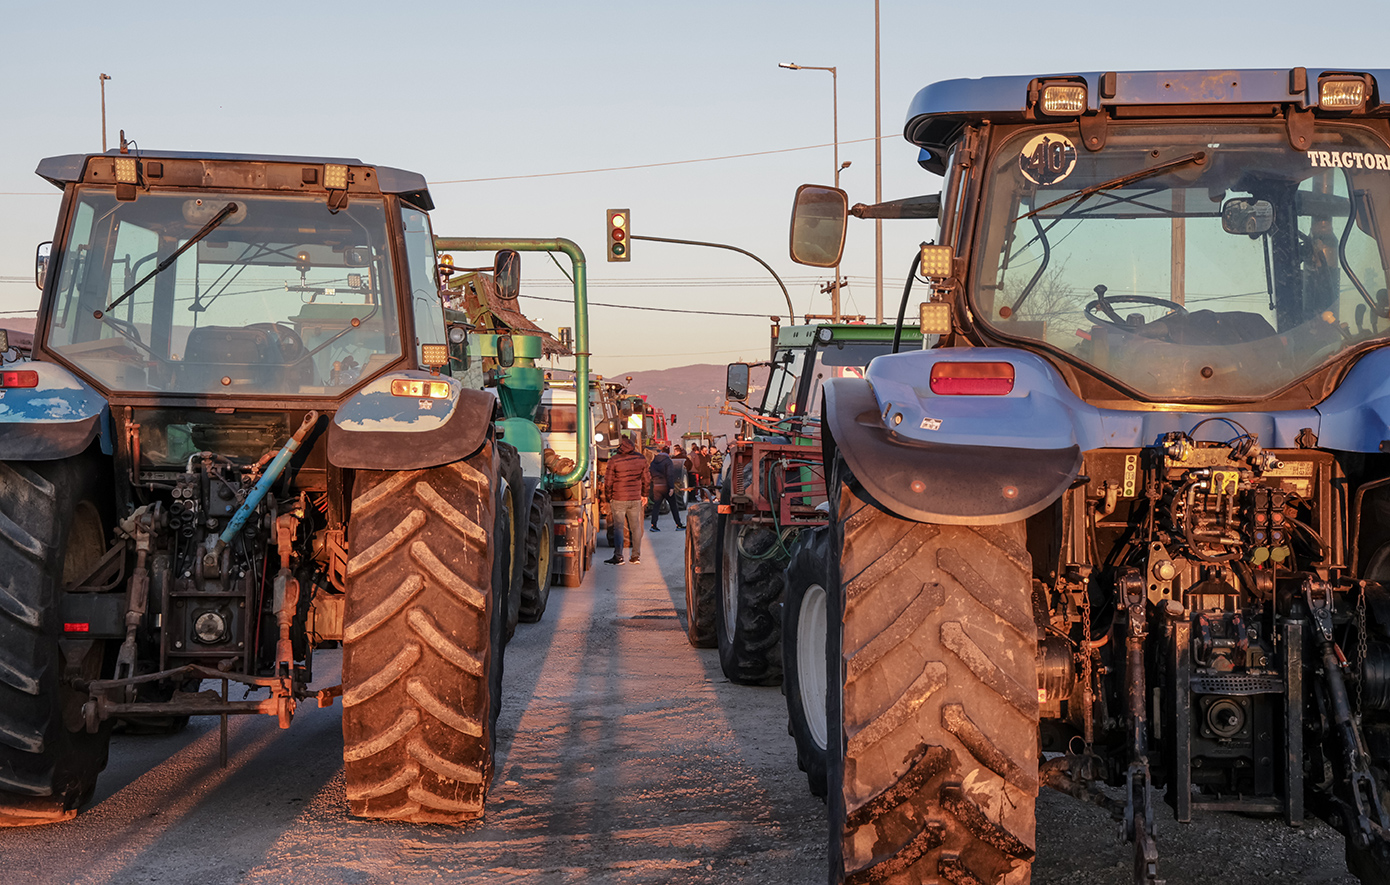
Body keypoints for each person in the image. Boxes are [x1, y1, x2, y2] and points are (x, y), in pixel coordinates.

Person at [604, 436, 649, 564]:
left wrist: (609, 497)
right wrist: (644, 495)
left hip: (618, 498)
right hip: (635, 498)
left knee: (618, 528)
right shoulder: (641, 459)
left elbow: (608, 482)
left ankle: (618, 557)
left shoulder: (614, 460)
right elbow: (647, 479)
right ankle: (635, 556)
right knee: (635, 527)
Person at [648, 445, 684, 531]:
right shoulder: (668, 461)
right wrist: (671, 487)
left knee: (656, 506)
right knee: (673, 506)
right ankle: (678, 525)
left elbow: (650, 472)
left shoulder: (653, 461)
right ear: (668, 453)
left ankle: (653, 525)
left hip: (657, 486)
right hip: (666, 487)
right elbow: (670, 474)